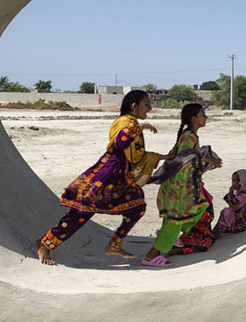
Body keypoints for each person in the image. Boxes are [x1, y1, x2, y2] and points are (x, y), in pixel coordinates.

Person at [34, 90, 167, 265]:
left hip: (120, 177)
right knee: (82, 212)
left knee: (137, 207)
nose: (149, 109)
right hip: (105, 174)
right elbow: (119, 143)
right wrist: (139, 127)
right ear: (134, 106)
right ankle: (45, 243)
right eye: (147, 104)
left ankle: (114, 244)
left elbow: (137, 156)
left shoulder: (132, 123)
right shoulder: (124, 122)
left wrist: (164, 157)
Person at [142, 103, 222, 267]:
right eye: (202, 114)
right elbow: (186, 156)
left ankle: (170, 237)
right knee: (175, 220)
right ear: (194, 118)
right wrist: (209, 159)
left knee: (201, 205)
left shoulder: (191, 135)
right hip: (178, 188)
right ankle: (151, 256)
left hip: (182, 188)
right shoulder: (188, 136)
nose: (205, 117)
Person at [214, 169, 246, 235]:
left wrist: (230, 192)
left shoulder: (245, 194)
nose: (235, 183)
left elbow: (235, 206)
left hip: (241, 224)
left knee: (226, 212)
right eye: (233, 180)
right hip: (238, 220)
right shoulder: (239, 192)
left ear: (244, 181)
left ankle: (216, 233)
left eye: (238, 181)